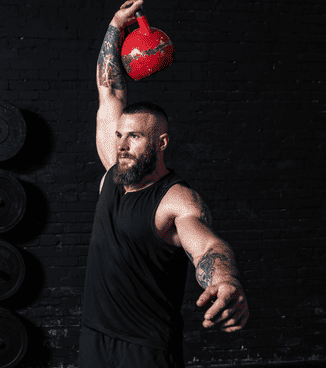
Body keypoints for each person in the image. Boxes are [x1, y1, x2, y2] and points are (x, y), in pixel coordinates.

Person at [79, 1, 249, 367]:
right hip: (94, 340)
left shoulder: (175, 200)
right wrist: (115, 26)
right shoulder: (113, 173)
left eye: (135, 137)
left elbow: (205, 247)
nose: (122, 144)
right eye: (120, 135)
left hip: (147, 351)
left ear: (161, 143)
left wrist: (224, 283)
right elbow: (109, 91)